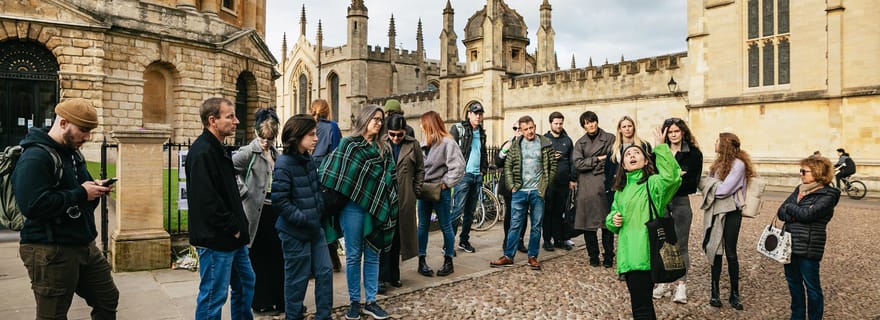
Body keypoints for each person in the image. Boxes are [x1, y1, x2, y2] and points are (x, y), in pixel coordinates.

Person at [12, 98, 119, 319]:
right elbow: (32, 205)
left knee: (107, 298)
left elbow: (82, 189)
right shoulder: (35, 156)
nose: (87, 137)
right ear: (63, 123)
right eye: (84, 130)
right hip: (50, 249)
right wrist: (81, 193)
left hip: (84, 245)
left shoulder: (73, 153)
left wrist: (95, 189)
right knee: (53, 314)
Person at [319, 105, 397, 320]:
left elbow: (389, 179)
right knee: (353, 256)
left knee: (373, 255)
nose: (379, 123)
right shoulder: (349, 144)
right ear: (364, 119)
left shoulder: (384, 148)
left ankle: (371, 301)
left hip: (375, 208)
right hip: (351, 208)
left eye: (381, 119)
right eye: (375, 118)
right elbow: (329, 171)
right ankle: (354, 302)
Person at [186, 97, 255, 319]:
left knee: (245, 283)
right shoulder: (202, 152)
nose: (236, 121)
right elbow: (206, 200)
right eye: (230, 116)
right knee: (213, 297)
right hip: (216, 239)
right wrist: (233, 226)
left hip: (233, 238)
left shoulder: (218, 148)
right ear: (212, 120)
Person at [606, 126, 681, 320]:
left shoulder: (653, 183)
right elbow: (612, 217)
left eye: (636, 153)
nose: (632, 155)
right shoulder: (620, 191)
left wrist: (661, 148)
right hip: (628, 256)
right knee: (641, 306)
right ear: (623, 163)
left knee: (642, 308)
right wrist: (613, 220)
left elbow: (672, 178)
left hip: (644, 254)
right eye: (628, 154)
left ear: (646, 160)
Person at [272, 114, 333, 320]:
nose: (316, 139)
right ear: (297, 136)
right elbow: (280, 201)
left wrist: (319, 212)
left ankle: (324, 316)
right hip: (294, 232)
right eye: (311, 134)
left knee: (325, 273)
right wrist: (304, 219)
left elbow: (315, 191)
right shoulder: (283, 163)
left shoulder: (308, 159)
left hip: (315, 230)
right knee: (297, 281)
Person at [777, 156, 840, 320]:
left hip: (808, 246)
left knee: (812, 287)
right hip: (790, 245)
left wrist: (791, 208)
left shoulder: (828, 195)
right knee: (794, 285)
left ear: (818, 173)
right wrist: (794, 212)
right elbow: (781, 213)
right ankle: (797, 317)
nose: (801, 174)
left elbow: (807, 214)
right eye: (801, 171)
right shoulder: (799, 189)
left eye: (804, 171)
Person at [233, 108, 282, 315]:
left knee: (276, 258)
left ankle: (277, 299)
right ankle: (259, 301)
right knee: (258, 259)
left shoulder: (275, 154)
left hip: (273, 213)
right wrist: (244, 192)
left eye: (269, 139)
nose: (265, 142)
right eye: (263, 137)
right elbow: (229, 172)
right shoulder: (247, 152)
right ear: (256, 132)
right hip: (255, 213)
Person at [490, 116, 557, 270]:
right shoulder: (515, 145)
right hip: (519, 191)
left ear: (535, 127)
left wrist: (545, 184)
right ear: (521, 130)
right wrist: (512, 186)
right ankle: (508, 255)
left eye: (531, 128)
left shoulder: (545, 143)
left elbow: (553, 165)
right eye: (526, 129)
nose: (529, 131)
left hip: (537, 191)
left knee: (536, 226)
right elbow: (507, 166)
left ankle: (532, 257)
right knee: (515, 225)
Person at [700, 132, 756, 311]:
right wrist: (709, 186)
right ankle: (714, 292)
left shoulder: (738, 165)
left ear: (724, 144)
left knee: (731, 252)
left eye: (717, 140)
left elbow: (723, 190)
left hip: (732, 211)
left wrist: (708, 186)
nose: (714, 143)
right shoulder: (716, 164)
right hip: (716, 210)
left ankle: (734, 293)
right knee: (715, 249)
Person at [652, 117, 702, 304]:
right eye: (670, 132)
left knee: (681, 245)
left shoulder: (693, 154)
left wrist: (670, 179)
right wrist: (676, 175)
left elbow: (691, 184)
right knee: (663, 243)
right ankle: (664, 282)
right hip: (662, 202)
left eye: (676, 131)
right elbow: (653, 178)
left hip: (681, 202)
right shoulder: (658, 152)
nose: (673, 135)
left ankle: (681, 285)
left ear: (682, 132)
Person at [378, 114, 425, 292]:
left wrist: (416, 190)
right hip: (385, 198)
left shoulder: (413, 144)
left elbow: (420, 169)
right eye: (392, 134)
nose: (396, 138)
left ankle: (394, 275)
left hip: (405, 198)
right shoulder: (381, 143)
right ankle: (381, 278)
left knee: (398, 238)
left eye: (399, 135)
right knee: (384, 239)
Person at [416, 111, 465, 277]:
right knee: (422, 227)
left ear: (429, 124)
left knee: (446, 226)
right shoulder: (422, 144)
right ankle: (421, 260)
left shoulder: (447, 142)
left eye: (423, 123)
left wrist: (445, 183)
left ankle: (448, 260)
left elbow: (458, 166)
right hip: (424, 191)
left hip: (440, 191)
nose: (421, 126)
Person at [572, 111, 616, 267]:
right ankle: (593, 256)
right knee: (588, 225)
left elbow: (612, 159)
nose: (590, 125)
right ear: (583, 126)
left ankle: (609, 255)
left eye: (592, 122)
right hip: (586, 188)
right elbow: (577, 164)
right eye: (586, 123)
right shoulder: (580, 143)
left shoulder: (610, 138)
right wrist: (598, 159)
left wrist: (590, 164)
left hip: (604, 185)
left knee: (607, 225)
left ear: (597, 122)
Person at [449, 103, 488, 253]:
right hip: (464, 176)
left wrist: (483, 170)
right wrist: (458, 171)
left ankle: (464, 241)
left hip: (477, 176)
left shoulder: (482, 132)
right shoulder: (459, 129)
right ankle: (448, 244)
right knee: (457, 210)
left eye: (480, 113)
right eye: (475, 113)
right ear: (469, 114)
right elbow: (450, 151)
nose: (478, 116)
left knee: (470, 212)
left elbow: (483, 152)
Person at [310, 99, 344, 273]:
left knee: (316, 217)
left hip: (309, 173)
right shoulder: (332, 127)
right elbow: (338, 153)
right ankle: (332, 261)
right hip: (326, 175)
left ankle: (325, 261)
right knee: (328, 219)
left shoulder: (309, 126)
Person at [543, 112, 576, 251]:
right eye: (556, 123)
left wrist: (573, 179)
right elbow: (538, 160)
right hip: (549, 183)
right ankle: (546, 240)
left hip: (563, 182)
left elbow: (572, 160)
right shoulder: (544, 139)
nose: (558, 126)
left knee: (560, 212)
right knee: (548, 212)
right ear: (550, 123)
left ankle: (558, 238)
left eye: (560, 123)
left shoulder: (567, 140)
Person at [605, 116, 653, 209]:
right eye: (624, 127)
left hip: (641, 185)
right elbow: (608, 171)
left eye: (629, 126)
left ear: (634, 127)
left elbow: (651, 165)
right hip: (620, 187)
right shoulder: (613, 149)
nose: (627, 129)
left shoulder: (644, 145)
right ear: (619, 129)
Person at [496, 122, 528, 252]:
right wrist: (505, 150)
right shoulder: (508, 143)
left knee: (524, 214)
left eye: (520, 128)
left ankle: (520, 241)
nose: (518, 131)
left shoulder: (529, 145)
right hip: (509, 186)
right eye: (515, 128)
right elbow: (498, 162)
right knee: (510, 214)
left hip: (524, 185)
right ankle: (507, 240)